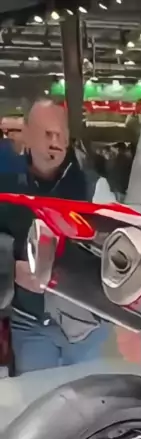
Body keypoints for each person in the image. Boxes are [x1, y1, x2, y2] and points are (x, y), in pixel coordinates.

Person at [0, 99, 109, 375]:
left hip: (86, 327)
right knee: (37, 398)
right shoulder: (6, 187)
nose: (55, 142)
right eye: (47, 134)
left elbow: (113, 252)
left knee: (90, 399)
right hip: (29, 324)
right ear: (27, 135)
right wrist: (11, 268)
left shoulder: (94, 188)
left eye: (61, 135)